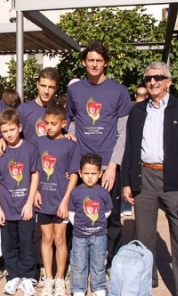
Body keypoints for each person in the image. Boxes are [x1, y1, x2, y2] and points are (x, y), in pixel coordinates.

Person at [122, 61, 178, 296]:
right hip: (144, 177)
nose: (153, 82)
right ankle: (147, 280)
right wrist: (127, 182)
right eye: (148, 78)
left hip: (174, 179)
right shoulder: (137, 111)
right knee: (144, 235)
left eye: (158, 77)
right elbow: (130, 148)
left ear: (169, 81)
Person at [66, 41, 132, 268]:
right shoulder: (74, 90)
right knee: (78, 215)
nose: (94, 64)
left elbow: (123, 132)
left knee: (111, 218)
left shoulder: (119, 91)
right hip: (81, 168)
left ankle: (110, 263)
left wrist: (113, 165)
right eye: (90, 60)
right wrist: (71, 138)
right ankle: (78, 263)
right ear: (84, 62)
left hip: (108, 165)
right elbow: (72, 120)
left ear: (106, 63)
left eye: (99, 60)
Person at [0, 108, 40, 296]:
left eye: (12, 129)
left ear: (19, 127)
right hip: (6, 207)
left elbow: (34, 175)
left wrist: (29, 203)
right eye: (4, 131)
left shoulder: (29, 148)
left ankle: (28, 276)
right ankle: (13, 276)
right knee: (8, 244)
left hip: (24, 207)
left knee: (27, 242)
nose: (9, 134)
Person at [34, 104, 80, 296]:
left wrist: (65, 200)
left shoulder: (70, 144)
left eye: (54, 123)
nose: (49, 127)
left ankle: (60, 278)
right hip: (43, 199)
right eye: (47, 123)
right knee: (46, 238)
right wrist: (35, 190)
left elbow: (74, 174)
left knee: (60, 238)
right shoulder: (38, 142)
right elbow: (34, 170)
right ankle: (49, 277)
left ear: (64, 123)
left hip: (61, 200)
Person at [68, 153, 112, 296]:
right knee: (79, 263)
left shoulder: (103, 192)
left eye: (93, 173)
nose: (90, 176)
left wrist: (97, 222)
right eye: (86, 173)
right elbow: (71, 212)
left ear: (100, 174)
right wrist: (80, 225)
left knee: (99, 262)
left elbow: (107, 211)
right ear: (80, 173)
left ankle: (98, 286)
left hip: (99, 235)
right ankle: (78, 289)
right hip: (79, 236)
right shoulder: (76, 192)